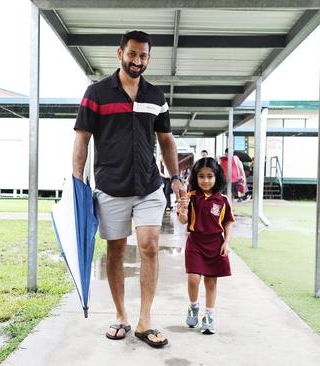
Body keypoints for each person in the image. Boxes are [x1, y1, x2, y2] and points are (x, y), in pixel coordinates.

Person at [72, 30, 184, 348]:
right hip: (111, 186)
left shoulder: (156, 97)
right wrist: (78, 182)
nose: (137, 61)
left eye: (143, 55)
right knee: (117, 250)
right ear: (119, 53)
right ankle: (120, 316)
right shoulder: (96, 93)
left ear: (149, 58)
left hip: (148, 185)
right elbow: (81, 138)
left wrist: (175, 177)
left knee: (149, 245)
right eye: (132, 54)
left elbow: (166, 141)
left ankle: (145, 320)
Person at [177, 157, 234, 335]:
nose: (206, 180)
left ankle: (209, 316)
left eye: (210, 176)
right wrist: (183, 209)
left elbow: (228, 223)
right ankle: (194, 307)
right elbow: (182, 220)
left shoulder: (222, 200)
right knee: (193, 279)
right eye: (201, 176)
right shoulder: (190, 197)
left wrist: (226, 242)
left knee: (211, 282)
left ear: (217, 177)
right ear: (195, 178)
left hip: (215, 244)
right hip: (195, 242)